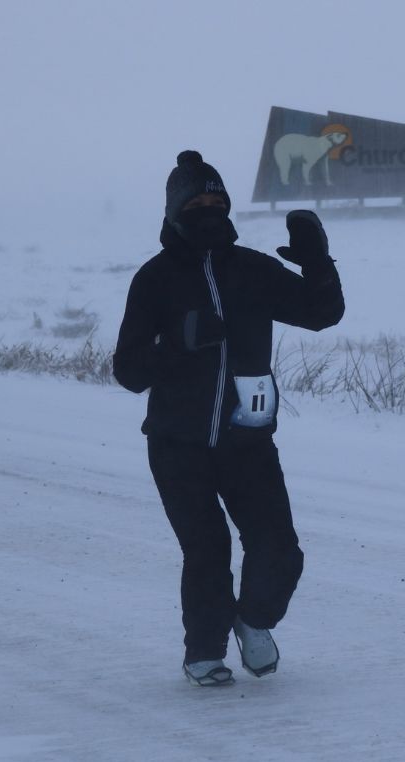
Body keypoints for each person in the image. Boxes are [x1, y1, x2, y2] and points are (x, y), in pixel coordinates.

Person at [113, 150, 345, 687]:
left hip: (248, 443)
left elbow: (321, 313)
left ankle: (254, 621)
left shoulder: (253, 269)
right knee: (208, 552)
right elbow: (128, 370)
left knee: (279, 551)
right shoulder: (155, 279)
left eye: (217, 200)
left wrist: (317, 261)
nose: (209, 209)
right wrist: (177, 344)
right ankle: (204, 654)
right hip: (178, 444)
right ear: (175, 211)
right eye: (197, 202)